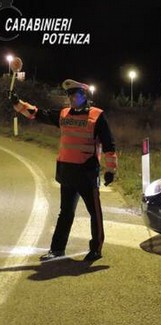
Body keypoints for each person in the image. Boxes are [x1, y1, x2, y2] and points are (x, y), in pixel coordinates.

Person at [9, 79, 118, 262]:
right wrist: (17, 103)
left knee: (94, 214)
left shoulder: (97, 116)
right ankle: (57, 249)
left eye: (75, 95)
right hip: (67, 173)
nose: (71, 98)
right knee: (65, 213)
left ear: (84, 96)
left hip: (87, 173)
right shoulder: (64, 114)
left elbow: (109, 144)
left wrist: (110, 170)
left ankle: (96, 249)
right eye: (69, 95)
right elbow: (38, 114)